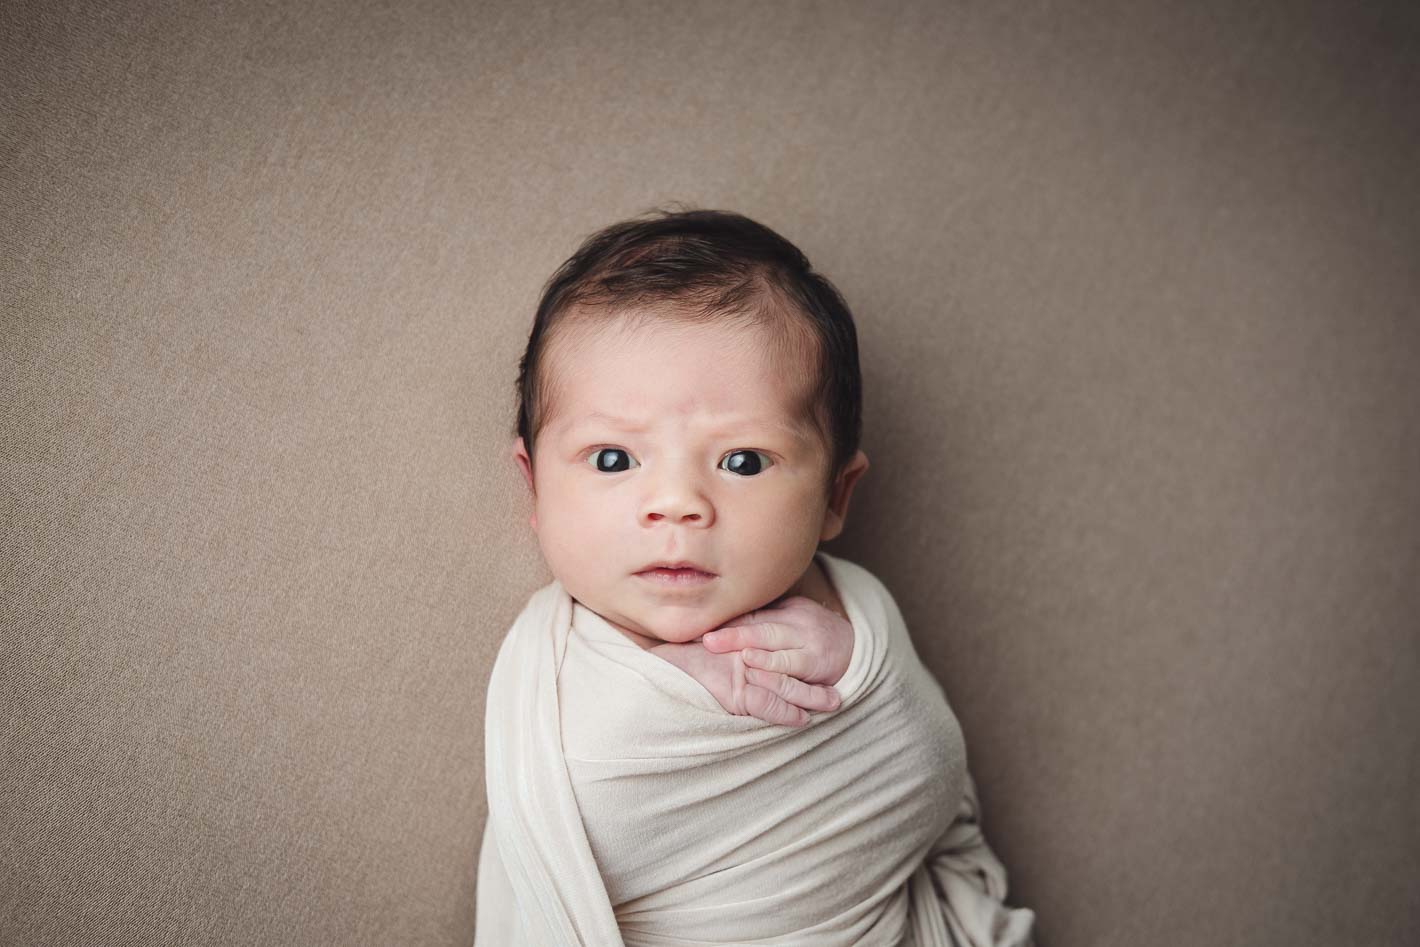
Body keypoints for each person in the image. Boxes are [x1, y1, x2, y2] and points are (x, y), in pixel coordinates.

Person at [477, 207, 1036, 945]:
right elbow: (581, 814)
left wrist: (867, 679)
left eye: (741, 461)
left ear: (837, 496)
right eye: (614, 458)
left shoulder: (854, 613)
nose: (676, 503)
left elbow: (931, 780)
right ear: (535, 489)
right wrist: (673, 689)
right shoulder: (548, 680)